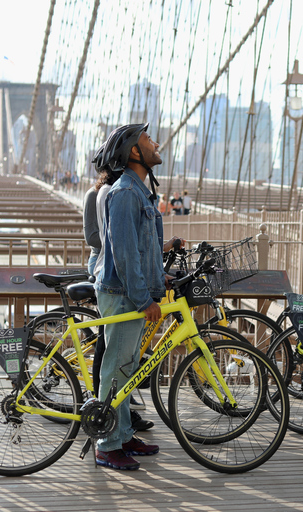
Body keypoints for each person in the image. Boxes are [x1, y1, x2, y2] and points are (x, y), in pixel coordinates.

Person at [90, 122, 179, 471]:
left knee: (126, 369)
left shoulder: (139, 191)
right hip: (121, 292)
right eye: (147, 140)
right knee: (115, 370)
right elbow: (124, 253)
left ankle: (123, 434)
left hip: (129, 291)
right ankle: (107, 444)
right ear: (133, 153)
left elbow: (143, 250)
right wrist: (144, 299)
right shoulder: (126, 193)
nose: (156, 143)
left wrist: (161, 277)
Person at [83, 177, 155, 433]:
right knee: (111, 351)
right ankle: (108, 420)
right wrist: (125, 245)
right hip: (105, 267)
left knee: (122, 357)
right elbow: (94, 237)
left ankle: (122, 422)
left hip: (118, 270)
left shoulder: (126, 191)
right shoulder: (106, 193)